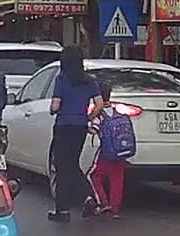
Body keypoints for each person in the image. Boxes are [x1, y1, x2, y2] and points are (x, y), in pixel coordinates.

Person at [47, 44, 103, 223]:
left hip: (63, 126)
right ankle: (69, 206)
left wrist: (53, 109)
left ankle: (78, 201)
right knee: (70, 164)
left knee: (64, 166)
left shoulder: (62, 79)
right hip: (80, 127)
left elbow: (55, 105)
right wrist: (88, 117)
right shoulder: (90, 81)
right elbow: (99, 104)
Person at [84, 80, 128, 219]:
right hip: (120, 152)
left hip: (105, 152)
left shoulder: (100, 114)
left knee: (93, 175)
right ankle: (115, 209)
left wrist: (86, 125)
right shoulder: (117, 112)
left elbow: (94, 130)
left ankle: (102, 202)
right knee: (117, 179)